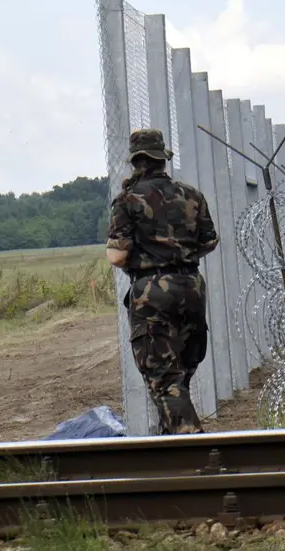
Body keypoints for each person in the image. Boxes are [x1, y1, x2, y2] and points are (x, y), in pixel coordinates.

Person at [106, 128, 220, 435]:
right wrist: (179, 251)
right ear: (162, 158)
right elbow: (210, 240)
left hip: (153, 293)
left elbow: (116, 256)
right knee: (180, 377)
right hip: (191, 287)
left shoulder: (128, 200)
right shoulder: (191, 195)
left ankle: (196, 450)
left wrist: (149, 258)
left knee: (164, 379)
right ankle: (170, 448)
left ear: (135, 160)